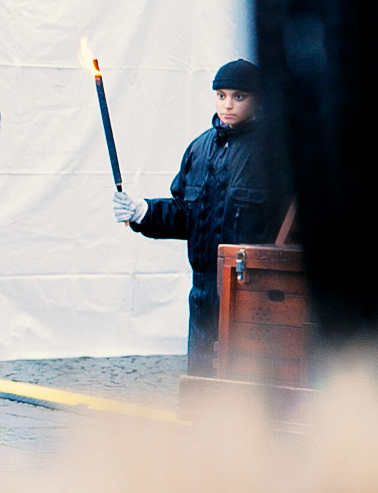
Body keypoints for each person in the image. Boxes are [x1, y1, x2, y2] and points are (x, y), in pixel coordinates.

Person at [114, 59, 288, 376]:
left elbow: (291, 226)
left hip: (255, 291)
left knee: (247, 383)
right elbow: (186, 215)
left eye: (239, 96)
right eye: (221, 95)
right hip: (204, 290)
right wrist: (144, 211)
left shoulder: (274, 152)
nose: (228, 105)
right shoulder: (199, 149)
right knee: (202, 380)